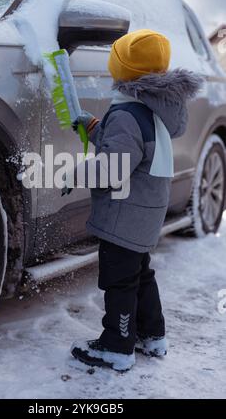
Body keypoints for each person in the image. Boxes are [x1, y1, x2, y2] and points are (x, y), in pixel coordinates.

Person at [66, 29, 202, 372]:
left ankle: (117, 345)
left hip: (124, 215)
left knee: (119, 281)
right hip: (145, 211)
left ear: (121, 69)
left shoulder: (127, 113)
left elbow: (114, 168)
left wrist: (75, 173)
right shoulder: (150, 108)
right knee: (140, 274)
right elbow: (134, 145)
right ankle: (152, 335)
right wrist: (97, 128)